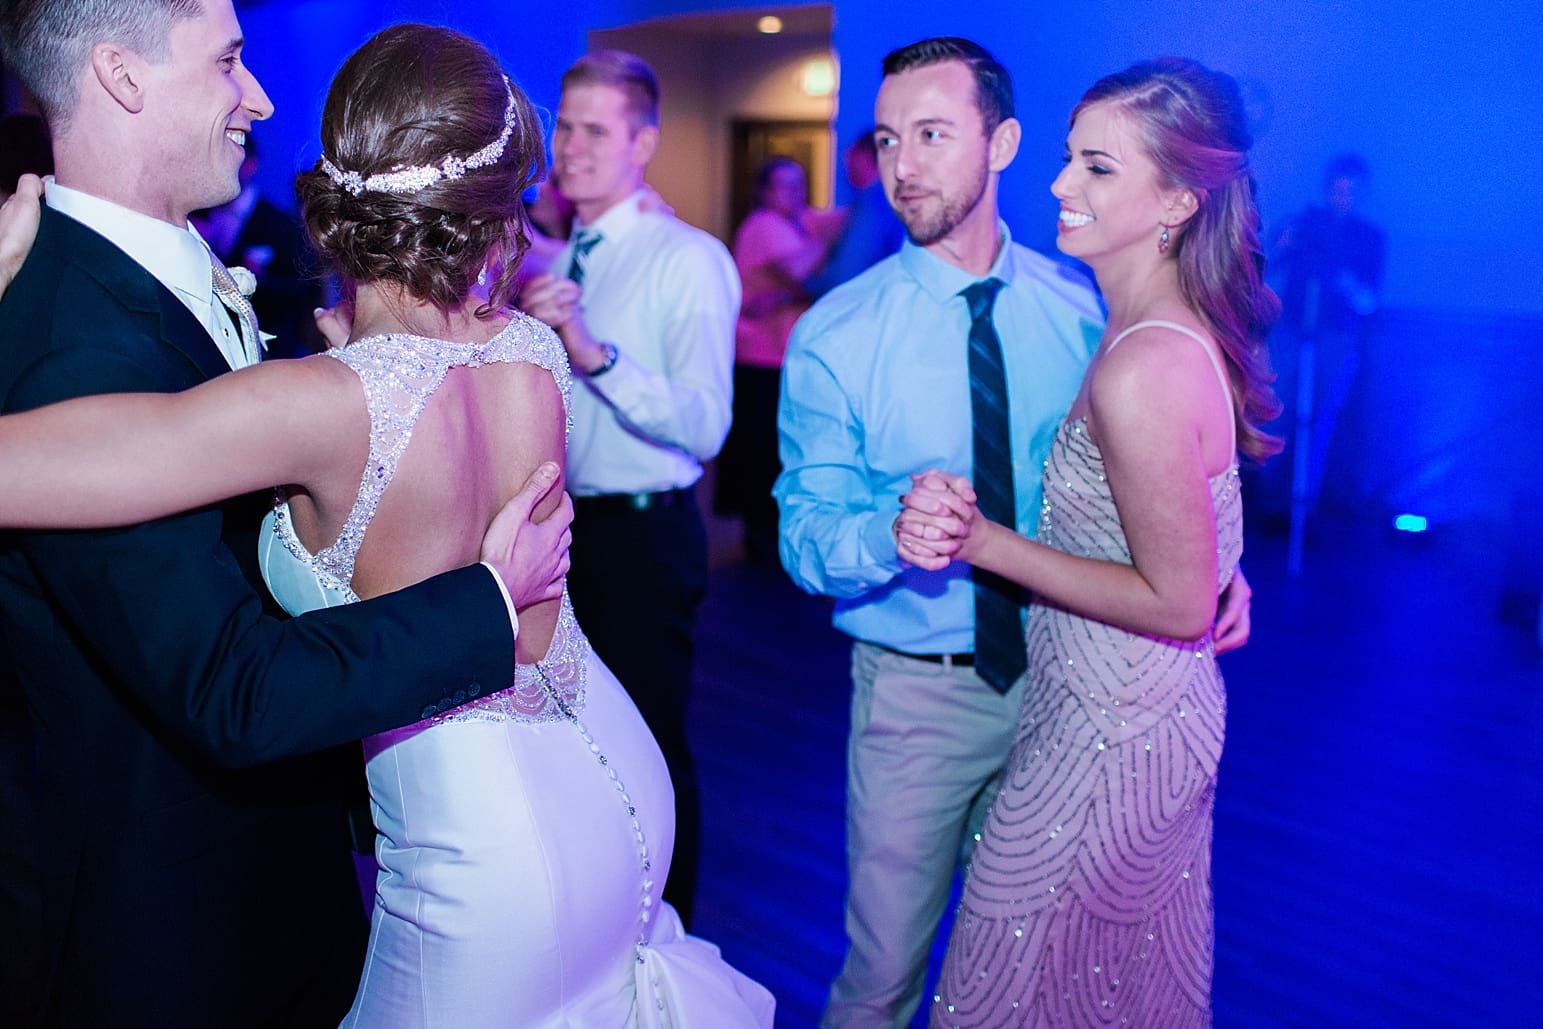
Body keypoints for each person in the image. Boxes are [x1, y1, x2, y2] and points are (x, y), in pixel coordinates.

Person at [0, 20, 772, 1029]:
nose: (257, 99)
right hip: (614, 771)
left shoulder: (312, 405)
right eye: (231, 59)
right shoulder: (531, 351)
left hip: (488, 840)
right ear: (494, 210)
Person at [775, 38, 1254, 1027]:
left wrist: (1215, 572)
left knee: (1048, 973)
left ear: (1000, 144)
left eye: (933, 134)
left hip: (1073, 695)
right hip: (917, 701)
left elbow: (1151, 494)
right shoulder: (835, 333)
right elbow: (803, 536)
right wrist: (885, 530)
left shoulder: (1087, 307)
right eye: (886, 139)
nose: (902, 165)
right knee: (881, 979)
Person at [896, 57, 1281, 1026]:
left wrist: (982, 540)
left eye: (1097, 168)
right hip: (1119, 707)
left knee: (1006, 983)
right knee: (1104, 988)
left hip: (1114, 734)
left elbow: (1176, 601)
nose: (1061, 185)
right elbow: (1183, 541)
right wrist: (1219, 573)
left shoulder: (1142, 365)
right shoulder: (1154, 331)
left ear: (1176, 202)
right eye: (1069, 159)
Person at [518, 49, 739, 927]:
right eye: (564, 126)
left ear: (643, 141)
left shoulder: (689, 259)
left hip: (644, 533)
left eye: (594, 130)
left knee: (646, 741)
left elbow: (705, 424)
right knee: (572, 736)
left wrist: (595, 353)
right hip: (564, 527)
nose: (569, 147)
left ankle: (664, 931)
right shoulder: (560, 251)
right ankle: (597, 919)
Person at [718, 155, 837, 562]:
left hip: (776, 355)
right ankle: (761, 536)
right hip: (760, 356)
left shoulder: (796, 223)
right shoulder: (765, 226)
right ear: (765, 192)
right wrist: (828, 247)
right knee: (762, 448)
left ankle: (765, 532)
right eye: (783, 186)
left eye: (799, 183)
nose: (794, 193)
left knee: (770, 446)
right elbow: (801, 271)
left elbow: (839, 218)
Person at [191, 132, 327, 358]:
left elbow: (300, 287)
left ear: (251, 165)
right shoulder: (198, 212)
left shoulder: (280, 224)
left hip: (267, 344)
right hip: (205, 338)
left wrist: (258, 280)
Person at [807, 131, 904, 297]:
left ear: (864, 157)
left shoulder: (873, 204)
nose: (845, 160)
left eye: (851, 153)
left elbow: (847, 271)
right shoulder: (891, 200)